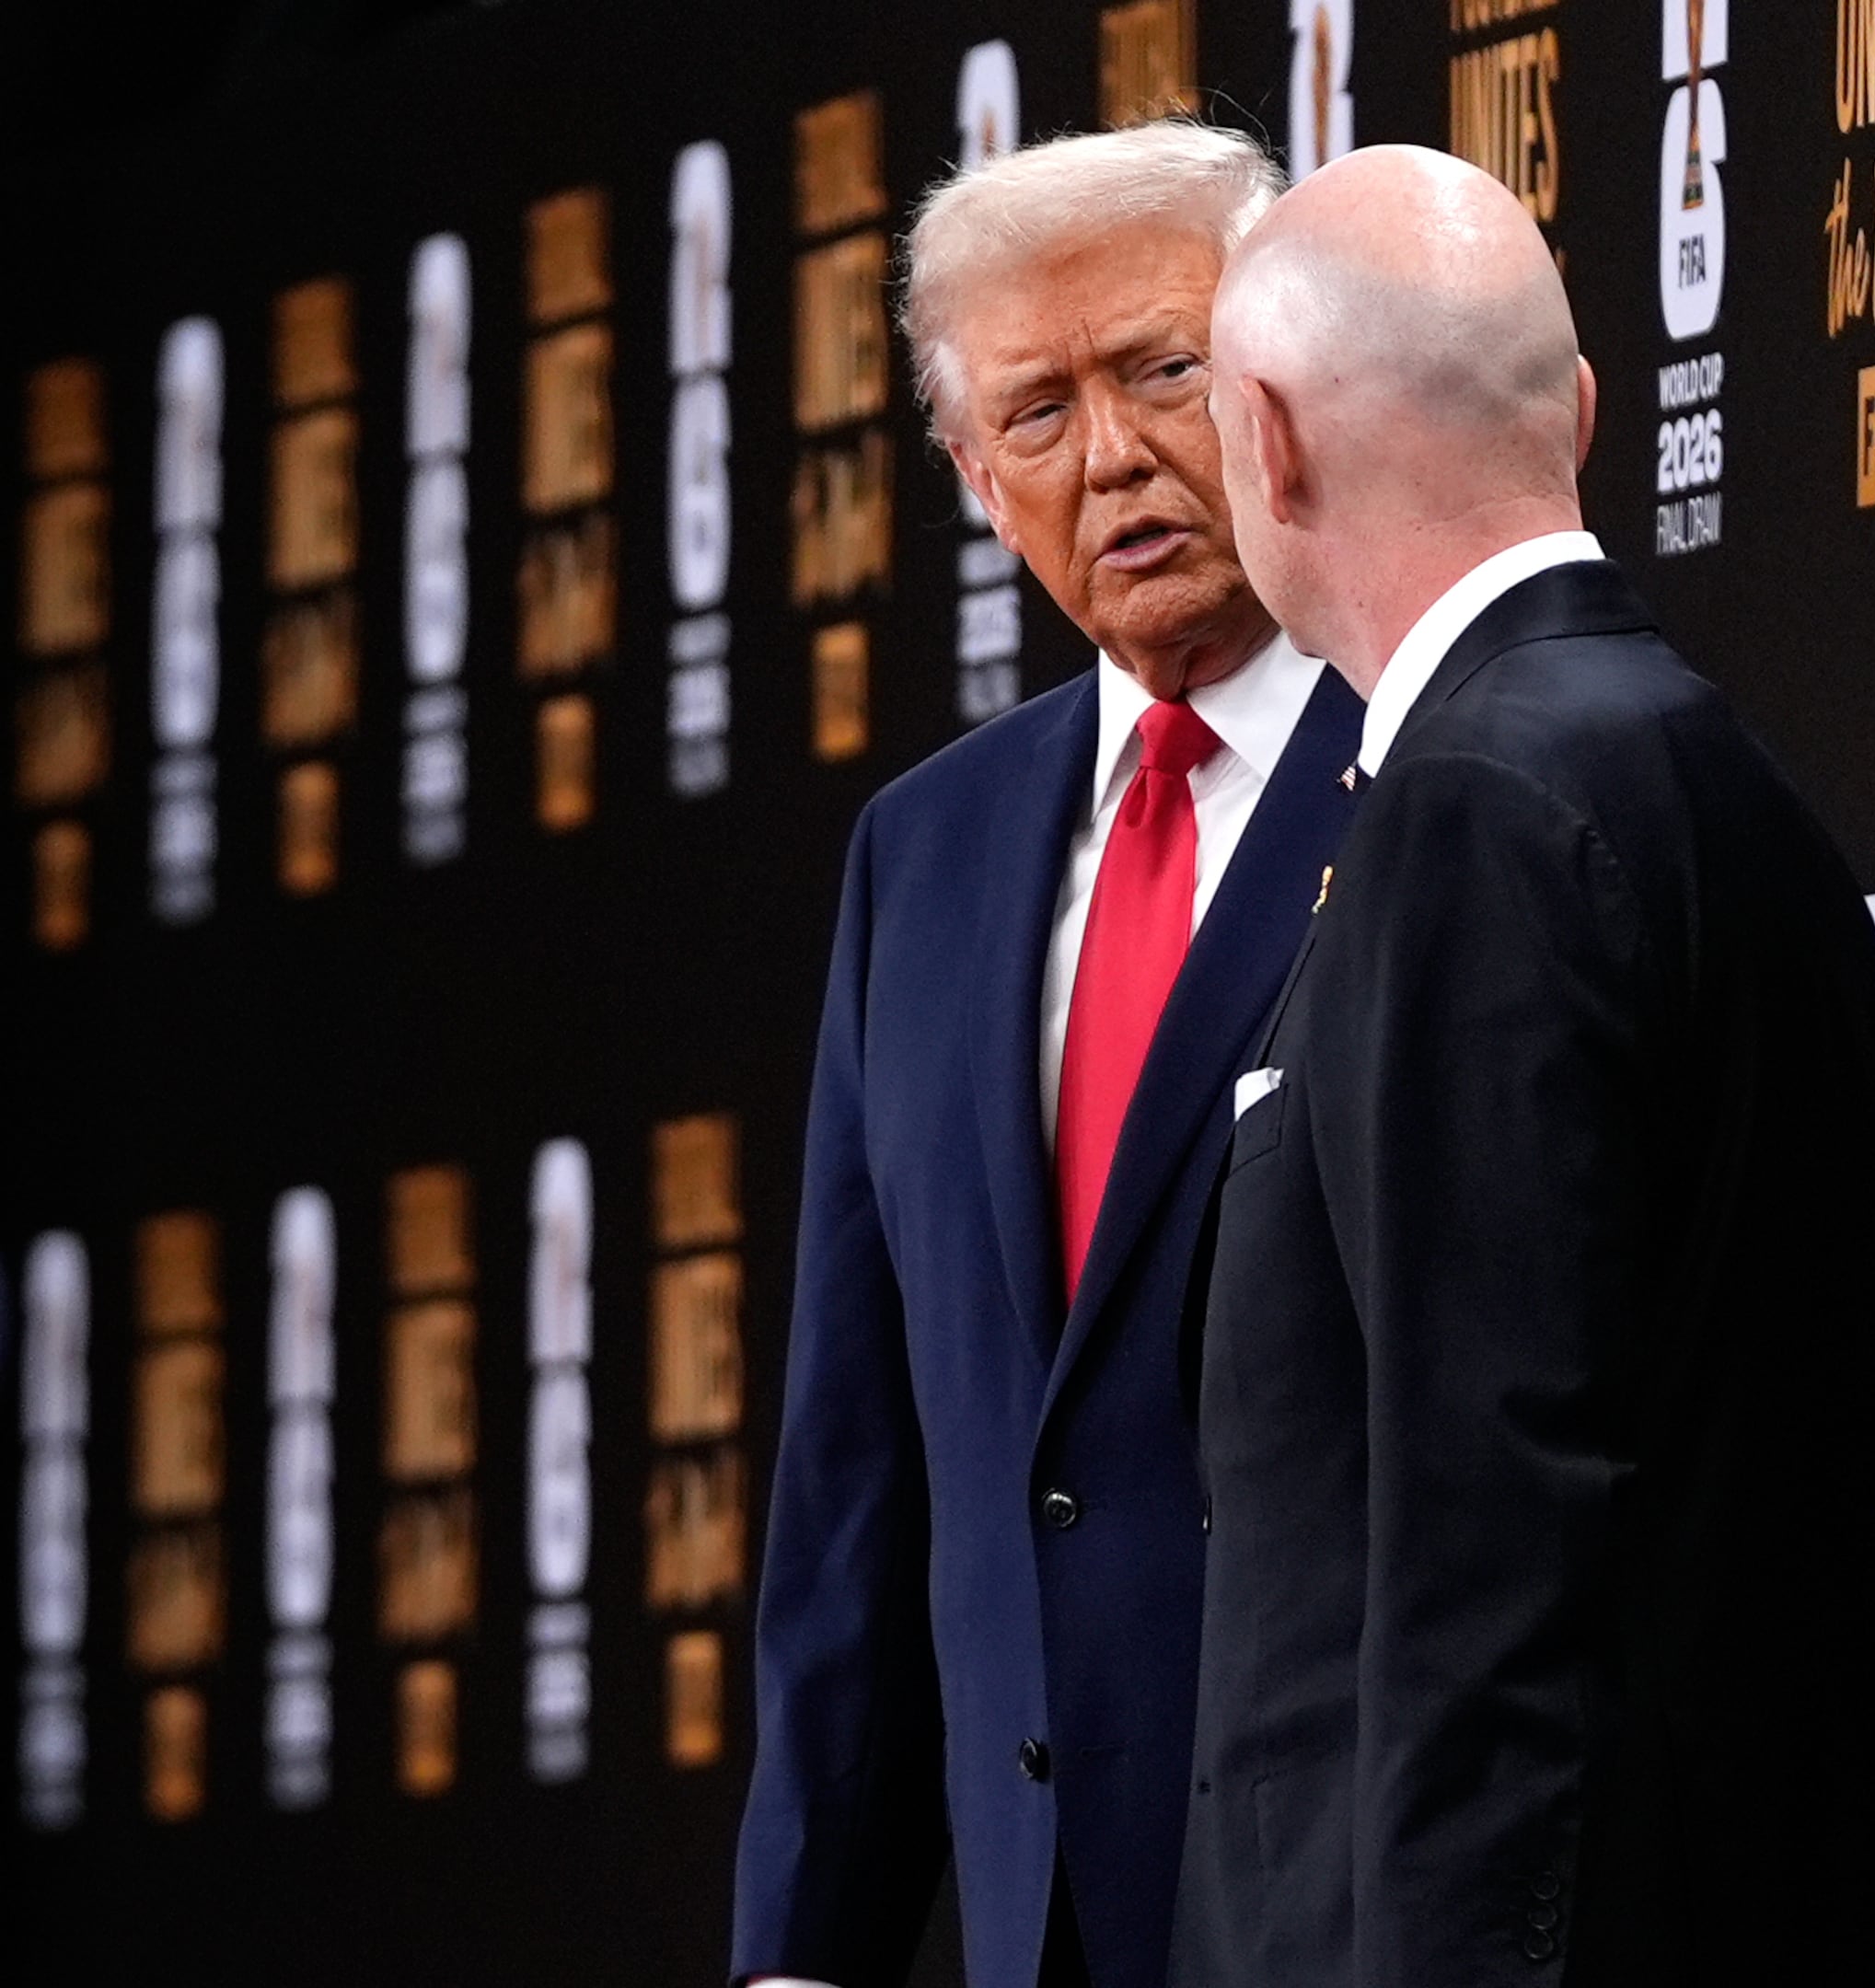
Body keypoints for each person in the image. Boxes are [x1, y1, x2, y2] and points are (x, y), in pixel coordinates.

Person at [1173, 145, 1875, 1987]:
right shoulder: (1729, 789)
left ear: (1267, 447)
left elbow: (1489, 1538)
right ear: (1581, 411)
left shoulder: (1468, 816)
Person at [732, 122, 1360, 1988]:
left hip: (1358, 1907)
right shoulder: (919, 861)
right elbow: (863, 1467)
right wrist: (801, 1952)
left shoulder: (1452, 781)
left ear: (1281, 385)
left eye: (1163, 371)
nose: (1110, 458)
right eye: (1034, 415)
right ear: (971, 480)